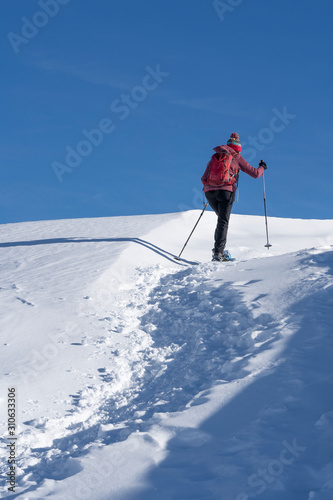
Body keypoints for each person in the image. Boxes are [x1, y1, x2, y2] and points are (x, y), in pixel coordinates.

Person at [201, 132, 267, 262]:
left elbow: (204, 177)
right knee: (223, 222)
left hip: (209, 192)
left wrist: (213, 185)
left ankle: (217, 250)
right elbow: (255, 174)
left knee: (221, 220)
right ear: (238, 149)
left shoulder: (214, 157)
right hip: (226, 191)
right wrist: (262, 167)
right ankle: (218, 253)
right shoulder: (236, 157)